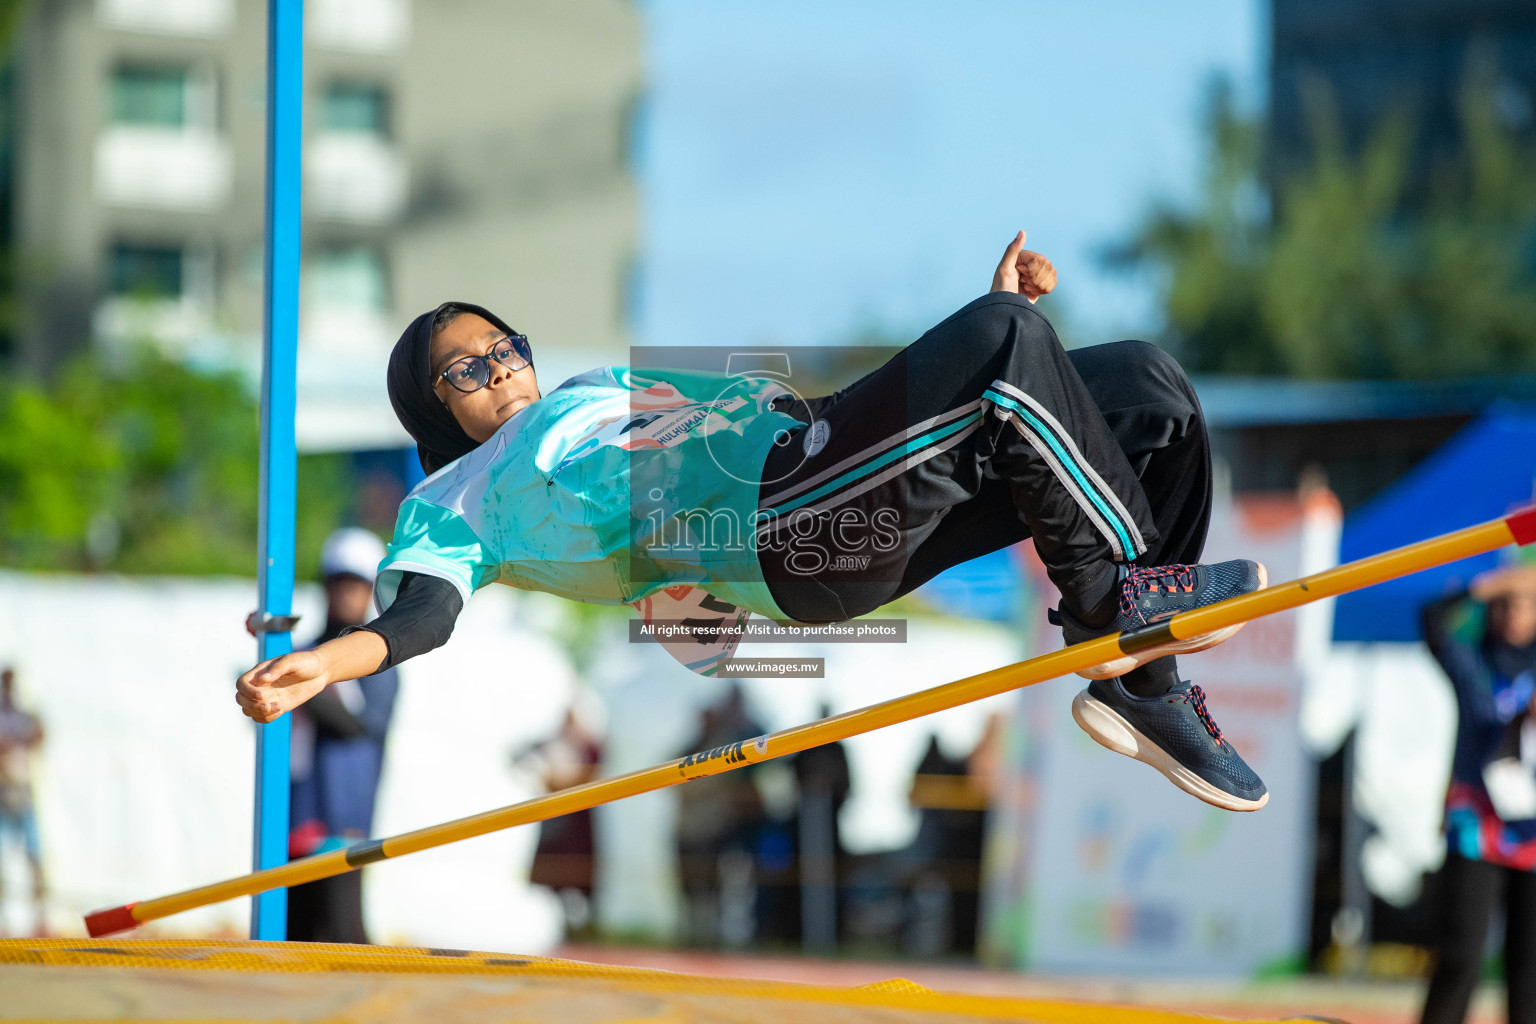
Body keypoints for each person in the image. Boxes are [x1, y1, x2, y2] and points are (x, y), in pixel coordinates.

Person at [236, 231, 1270, 812]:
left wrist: (1003, 358)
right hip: (782, 520)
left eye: (504, 346)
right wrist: (333, 661)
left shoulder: (591, 391)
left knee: (1148, 387)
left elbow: (704, 596)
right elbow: (421, 615)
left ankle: (1151, 689)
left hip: (821, 458)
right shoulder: (452, 500)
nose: (500, 366)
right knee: (1006, 337)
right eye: (465, 369)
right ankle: (1113, 607)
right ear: (435, 416)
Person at [1419, 561, 1536, 1024]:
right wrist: (1491, 585)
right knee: (1460, 954)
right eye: (1505, 605)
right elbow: (1431, 619)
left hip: (1532, 832)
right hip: (1475, 827)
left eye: (1525, 604)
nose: (1513, 614)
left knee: (1529, 971)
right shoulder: (1472, 664)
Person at [285, 528, 400, 943]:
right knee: (290, 934)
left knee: (342, 934)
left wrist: (299, 686)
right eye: (338, 583)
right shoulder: (300, 654)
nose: (346, 594)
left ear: (371, 589)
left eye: (356, 584)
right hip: (295, 816)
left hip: (344, 823)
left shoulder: (379, 660)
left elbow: (357, 727)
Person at [515, 698, 605, 935]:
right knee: (553, 882)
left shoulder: (590, 746)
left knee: (577, 880)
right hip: (556, 820)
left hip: (577, 823)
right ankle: (561, 930)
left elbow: (589, 776)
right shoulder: (553, 742)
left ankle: (580, 928)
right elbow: (518, 756)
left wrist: (558, 778)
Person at [0, 667, 45, 933]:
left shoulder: (24, 716)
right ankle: (4, 923)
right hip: (4, 794)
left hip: (23, 794)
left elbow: (39, 734)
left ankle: (40, 919)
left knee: (34, 857)